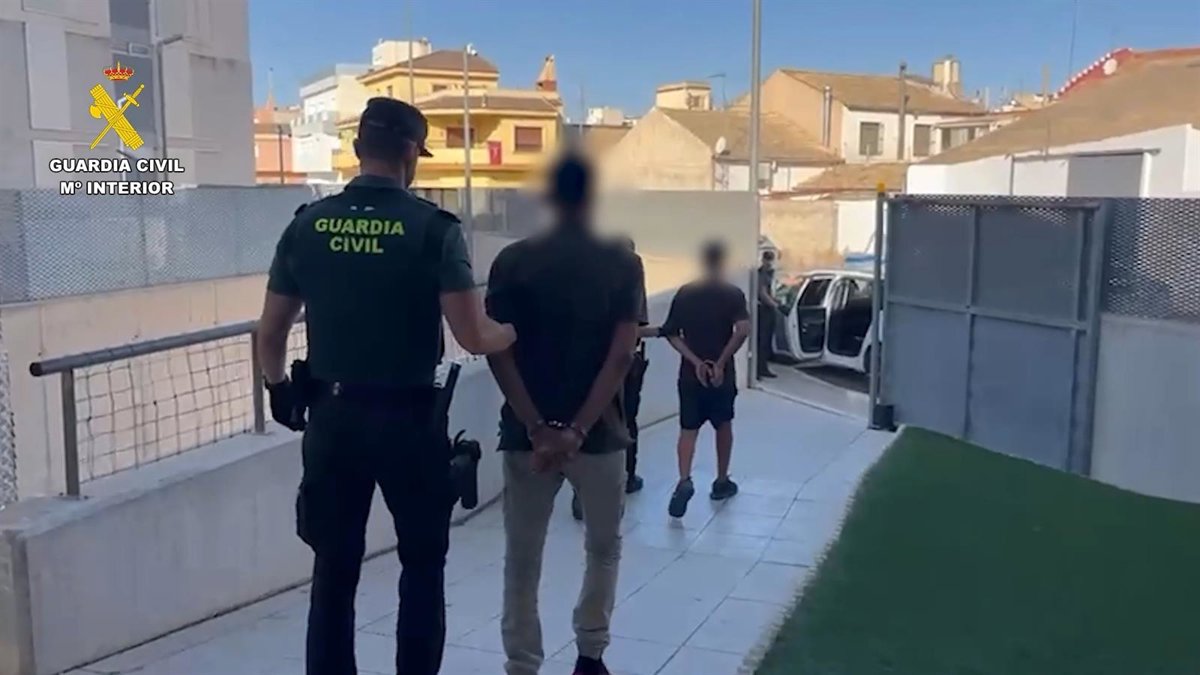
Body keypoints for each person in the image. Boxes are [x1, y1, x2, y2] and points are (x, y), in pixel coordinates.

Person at [256, 97, 515, 675]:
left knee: (333, 570)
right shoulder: (433, 229)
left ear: (357, 149)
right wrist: (512, 331)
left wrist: (279, 390)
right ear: (410, 153)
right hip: (409, 424)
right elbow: (474, 336)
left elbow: (269, 333)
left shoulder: (307, 225)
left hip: (332, 420)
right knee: (422, 566)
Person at [485, 153, 643, 675]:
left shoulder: (511, 262)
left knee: (522, 559)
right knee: (602, 549)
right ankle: (590, 655)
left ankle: (522, 664)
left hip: (525, 438)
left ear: (549, 199)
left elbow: (498, 351)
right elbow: (622, 355)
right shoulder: (622, 262)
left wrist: (536, 426)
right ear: (593, 198)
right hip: (600, 436)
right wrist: (576, 429)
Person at [661, 241, 751, 518]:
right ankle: (721, 481)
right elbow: (743, 329)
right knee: (723, 425)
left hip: (691, 375)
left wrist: (695, 361)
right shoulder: (733, 294)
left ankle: (684, 480)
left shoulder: (685, 293)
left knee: (688, 430)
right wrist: (720, 362)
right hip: (721, 376)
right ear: (722, 263)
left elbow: (671, 333)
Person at [571, 236, 654, 520]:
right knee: (625, 423)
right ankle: (625, 479)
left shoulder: (591, 285)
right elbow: (632, 333)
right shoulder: (631, 281)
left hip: (590, 365)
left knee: (587, 422)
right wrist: (661, 331)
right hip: (624, 368)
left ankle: (580, 493)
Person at [756, 249, 780, 379]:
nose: (770, 262)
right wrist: (775, 305)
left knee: (766, 341)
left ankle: (762, 368)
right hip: (764, 310)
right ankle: (760, 369)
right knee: (763, 341)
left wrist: (776, 301)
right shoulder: (762, 274)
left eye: (771, 259)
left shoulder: (770, 273)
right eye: (768, 259)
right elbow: (763, 294)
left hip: (768, 308)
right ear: (763, 260)